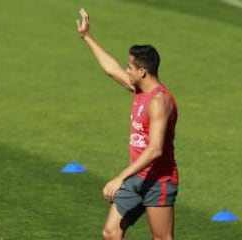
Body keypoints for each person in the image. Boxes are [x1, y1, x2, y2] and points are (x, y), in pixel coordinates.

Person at [76, 9, 179, 240]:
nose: (127, 71)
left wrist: (120, 177)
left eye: (130, 68)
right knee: (111, 233)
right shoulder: (139, 89)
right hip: (137, 178)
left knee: (162, 238)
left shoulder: (159, 102)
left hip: (158, 181)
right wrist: (87, 37)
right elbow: (111, 70)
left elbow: (155, 149)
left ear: (142, 71)